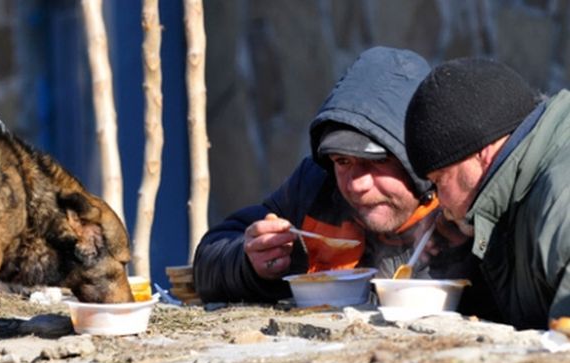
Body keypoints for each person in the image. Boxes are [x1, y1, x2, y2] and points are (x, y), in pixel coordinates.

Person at [193, 47, 494, 319]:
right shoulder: (315, 190)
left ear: (417, 158)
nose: (356, 185)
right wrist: (250, 264)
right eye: (342, 161)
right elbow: (208, 261)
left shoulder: (462, 203)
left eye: (377, 162)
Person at [404, 56, 570, 330]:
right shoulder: (524, 190)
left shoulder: (560, 205)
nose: (439, 202)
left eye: (438, 181)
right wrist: (467, 252)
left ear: (481, 151)